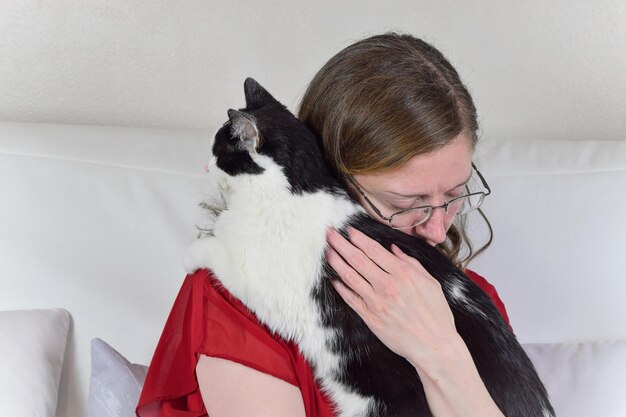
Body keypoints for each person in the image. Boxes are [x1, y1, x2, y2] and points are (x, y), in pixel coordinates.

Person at [137, 32, 510, 417]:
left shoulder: (476, 304)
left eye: (453, 195)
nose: (437, 231)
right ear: (330, 180)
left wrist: (443, 356)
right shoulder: (236, 295)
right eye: (407, 203)